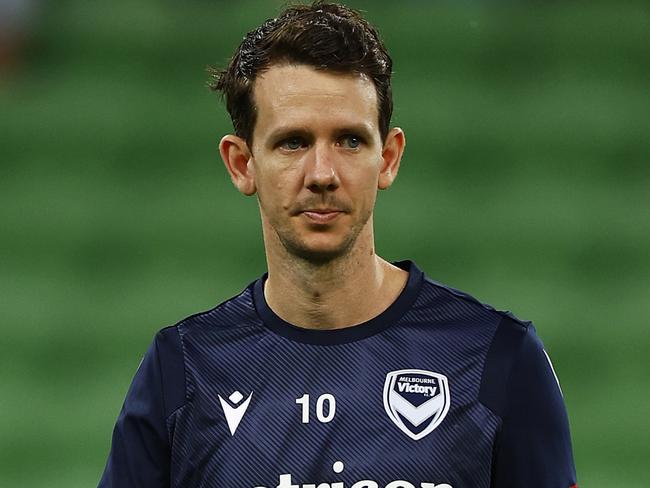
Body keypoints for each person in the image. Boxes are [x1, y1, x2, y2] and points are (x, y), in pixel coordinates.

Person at [98, 2, 578, 487]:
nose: (322, 174)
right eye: (293, 142)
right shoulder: (184, 371)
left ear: (387, 158)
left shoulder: (497, 358)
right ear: (242, 164)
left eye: (349, 141)